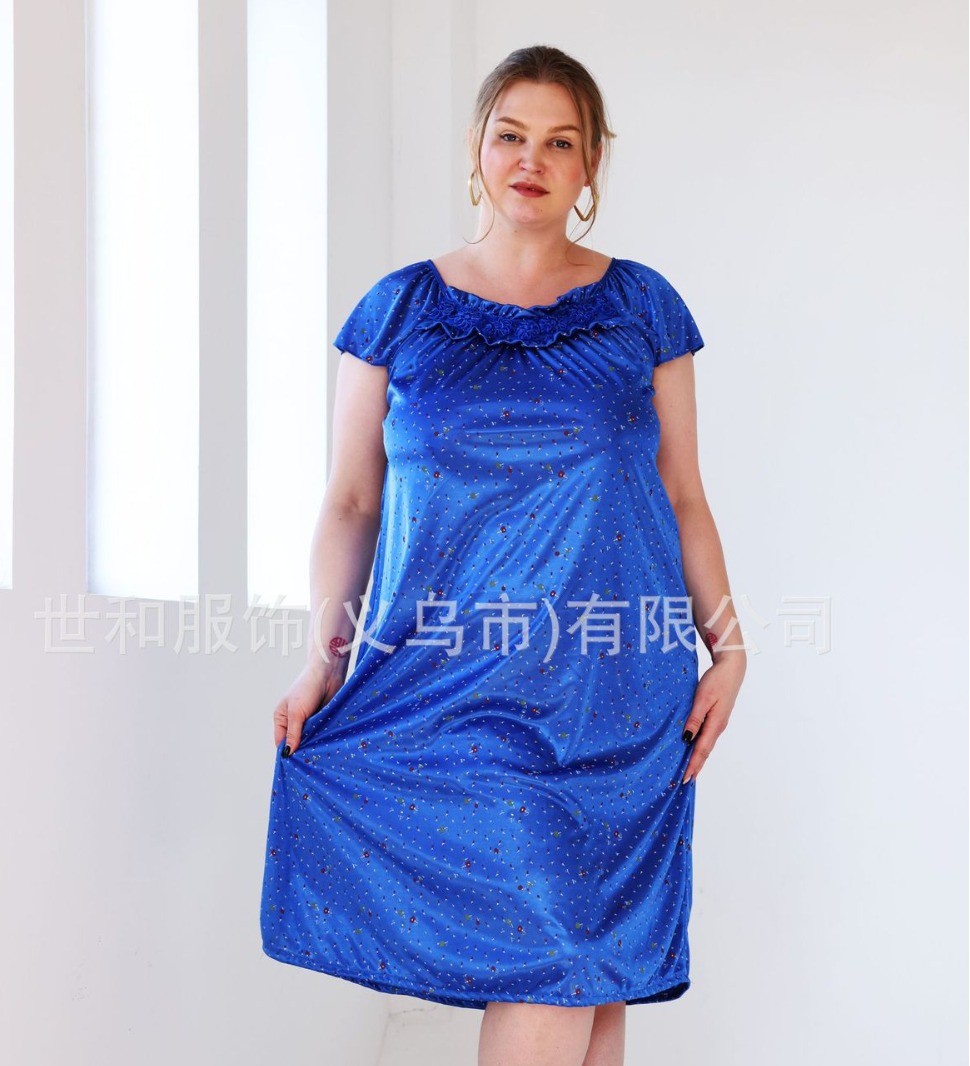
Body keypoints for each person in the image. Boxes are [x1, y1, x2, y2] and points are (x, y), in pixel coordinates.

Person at [261, 44, 746, 1066]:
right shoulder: (398, 310)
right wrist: (322, 659)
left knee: (591, 971)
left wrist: (730, 648)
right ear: (476, 150)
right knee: (562, 957)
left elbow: (683, 494)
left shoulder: (642, 308)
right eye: (511, 135)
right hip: (447, 683)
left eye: (560, 142)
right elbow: (351, 500)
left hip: (611, 690)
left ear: (591, 165)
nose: (532, 159)